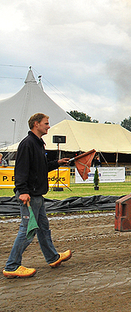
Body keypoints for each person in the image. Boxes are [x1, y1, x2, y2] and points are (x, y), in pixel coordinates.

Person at [3, 113, 72, 278]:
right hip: (29, 195)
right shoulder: (27, 144)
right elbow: (20, 169)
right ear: (36, 124)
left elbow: (40, 168)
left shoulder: (38, 144)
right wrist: (23, 191)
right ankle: (12, 266)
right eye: (46, 123)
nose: (49, 126)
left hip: (37, 195)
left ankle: (53, 258)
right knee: (28, 230)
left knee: (43, 228)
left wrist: (57, 163)